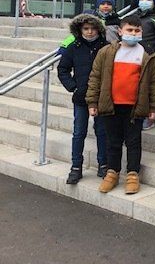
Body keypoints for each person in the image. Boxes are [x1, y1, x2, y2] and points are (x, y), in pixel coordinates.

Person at [86, 14, 155, 195]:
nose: (133, 33)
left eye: (137, 30)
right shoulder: (106, 52)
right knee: (113, 141)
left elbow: (154, 83)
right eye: (129, 30)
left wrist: (154, 107)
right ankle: (112, 173)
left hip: (135, 107)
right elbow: (95, 78)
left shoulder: (147, 55)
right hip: (111, 105)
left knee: (134, 142)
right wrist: (92, 101)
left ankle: (133, 175)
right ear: (120, 31)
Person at [57, 14, 110, 184]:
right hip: (81, 97)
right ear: (80, 30)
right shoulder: (73, 47)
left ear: (98, 30)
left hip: (101, 97)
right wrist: (74, 87)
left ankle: (103, 164)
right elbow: (63, 69)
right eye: (86, 28)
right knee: (79, 132)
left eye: (93, 28)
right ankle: (76, 167)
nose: (89, 32)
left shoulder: (106, 47)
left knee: (102, 132)